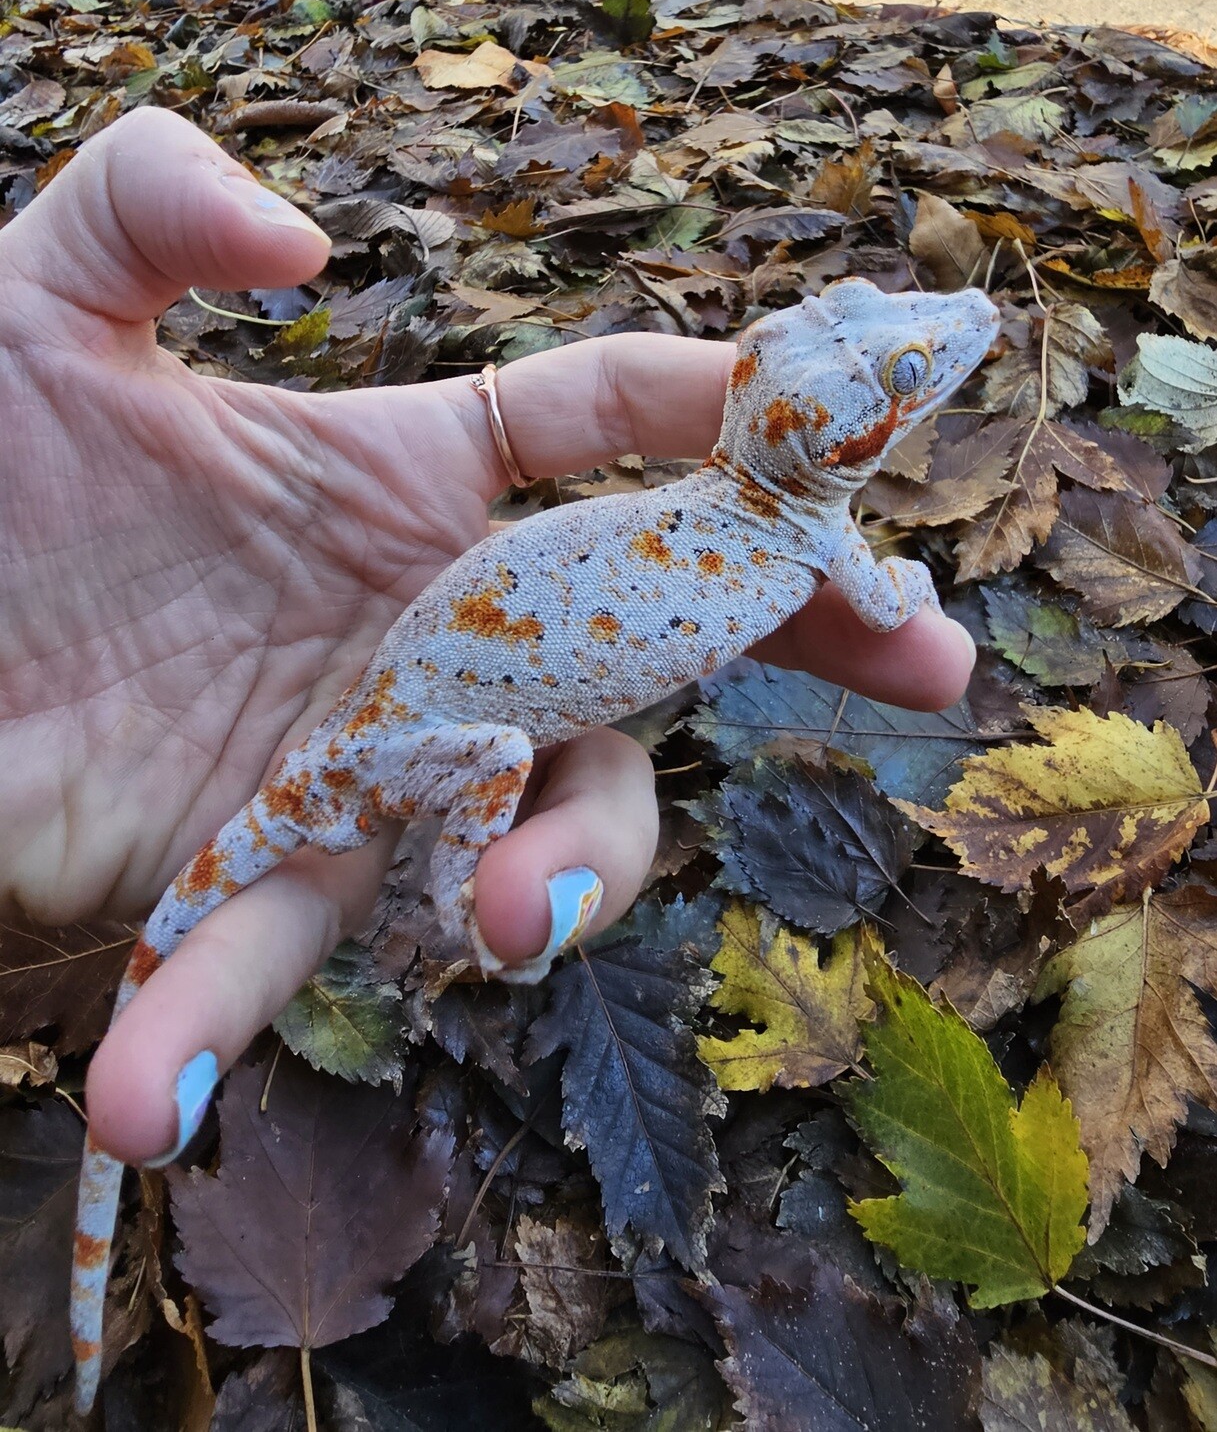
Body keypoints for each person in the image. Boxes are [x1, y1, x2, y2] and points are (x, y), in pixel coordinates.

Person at [0, 108, 975, 1167]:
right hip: (400, 723)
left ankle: (460, 891)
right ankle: (459, 900)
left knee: (498, 751)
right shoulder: (812, 539)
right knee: (506, 753)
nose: (960, 321)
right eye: (906, 374)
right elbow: (890, 606)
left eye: (898, 363)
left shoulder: (771, 520)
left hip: (388, 702)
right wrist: (906, 570)